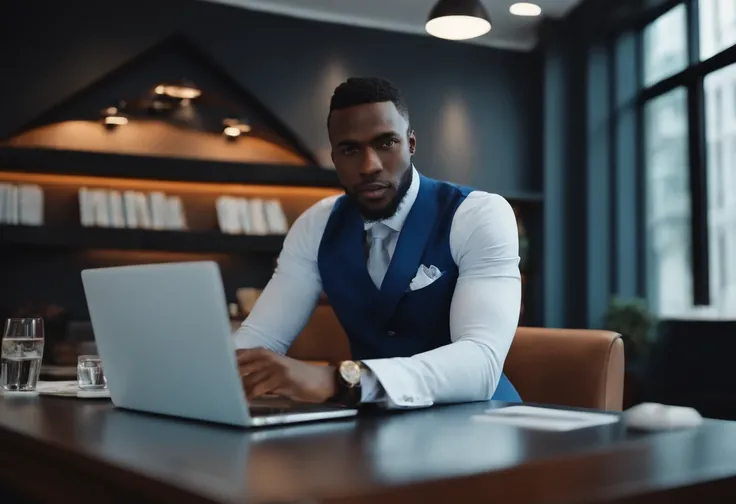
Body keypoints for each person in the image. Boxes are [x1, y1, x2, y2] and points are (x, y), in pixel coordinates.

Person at [234, 77, 522, 409]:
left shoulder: (478, 214)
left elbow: (481, 363)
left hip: (478, 426)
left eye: (386, 143)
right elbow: (261, 339)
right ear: (334, 157)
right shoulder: (316, 225)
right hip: (372, 431)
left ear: (411, 144)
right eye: (350, 149)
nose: (369, 166)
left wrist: (342, 380)